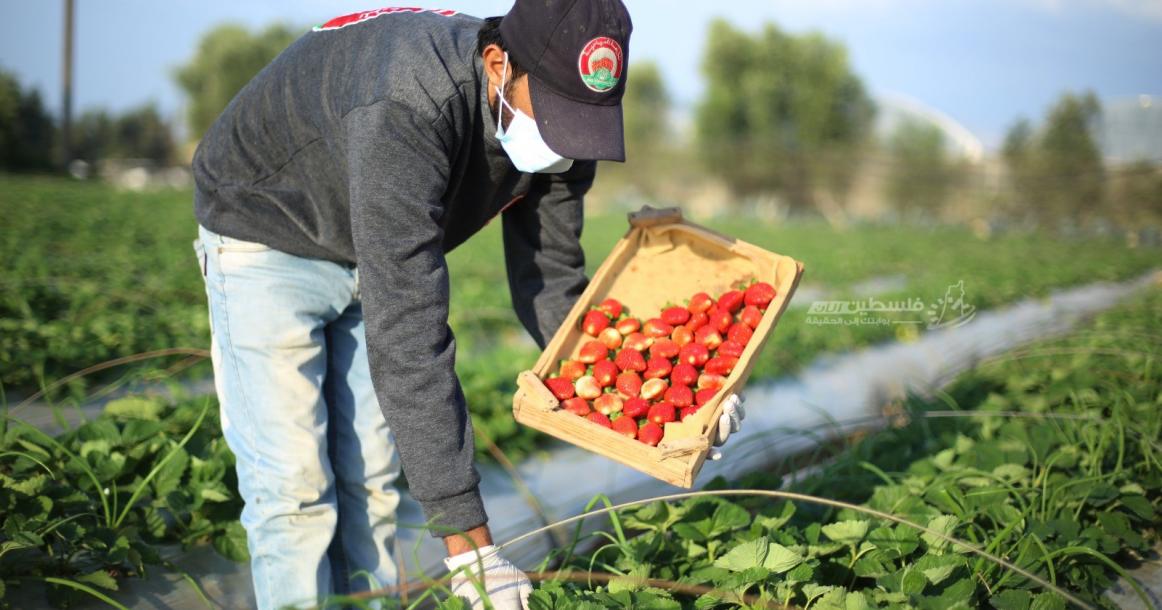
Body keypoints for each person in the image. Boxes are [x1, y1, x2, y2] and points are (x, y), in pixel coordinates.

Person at [190, 1, 742, 608]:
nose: (565, 145)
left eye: (580, 124)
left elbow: (551, 278)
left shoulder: (563, 128)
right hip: (267, 228)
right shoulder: (408, 101)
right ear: (499, 64)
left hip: (369, 240)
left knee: (373, 483)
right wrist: (474, 550)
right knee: (294, 489)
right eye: (555, 116)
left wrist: (667, 398)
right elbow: (409, 331)